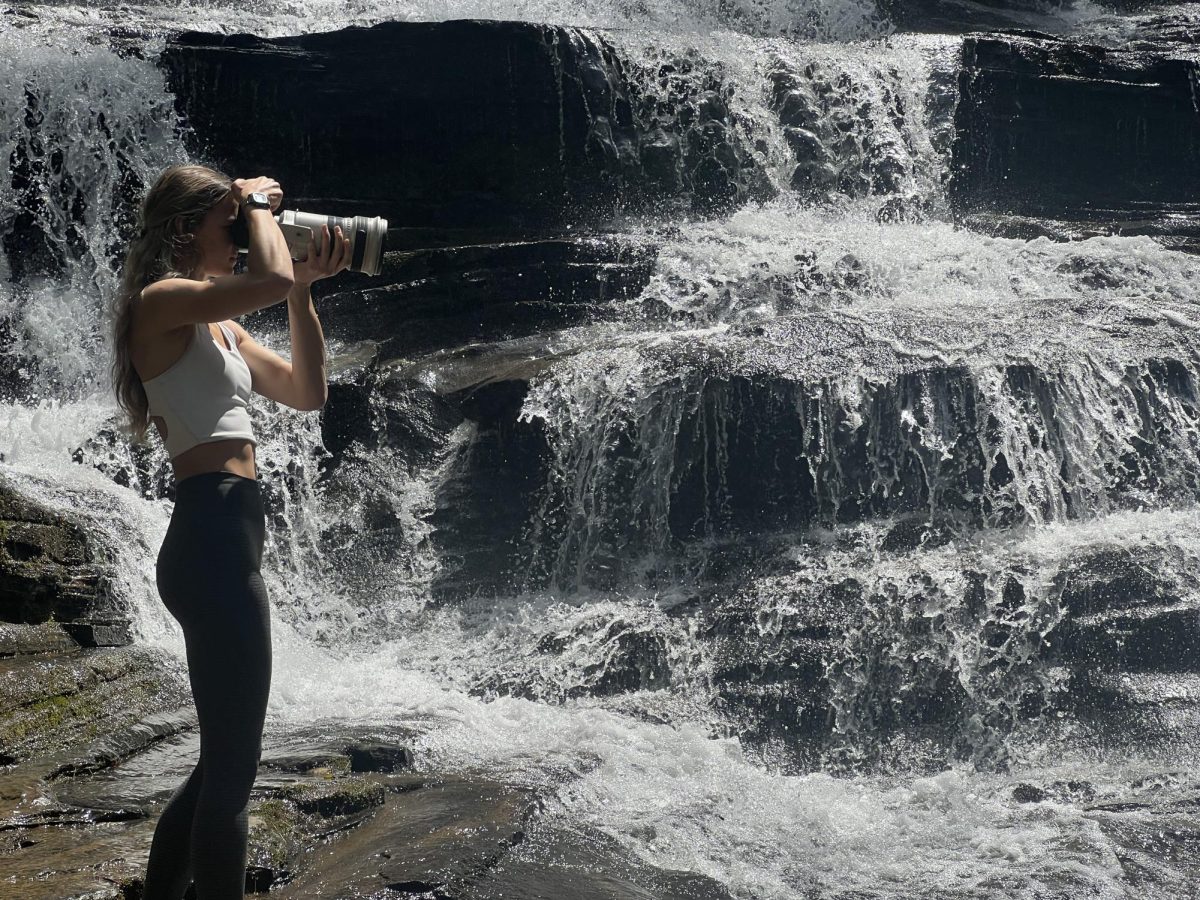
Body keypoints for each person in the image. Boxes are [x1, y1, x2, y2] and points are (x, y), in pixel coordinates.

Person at [108, 164, 351, 898]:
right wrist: (260, 211)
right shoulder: (161, 302)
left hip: (224, 538)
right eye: (230, 224)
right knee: (234, 780)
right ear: (187, 229)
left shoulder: (221, 323)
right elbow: (266, 279)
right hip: (211, 538)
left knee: (220, 765)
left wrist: (305, 288)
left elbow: (307, 393)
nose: (244, 236)